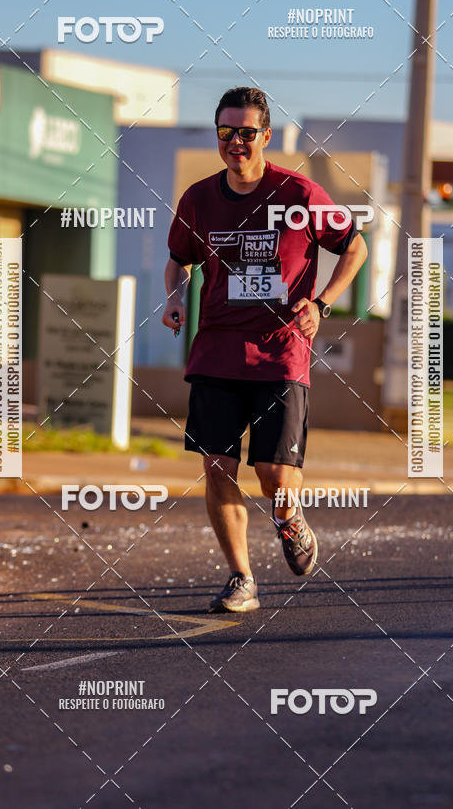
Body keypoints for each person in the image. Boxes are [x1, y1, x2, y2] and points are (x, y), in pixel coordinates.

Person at [162, 87, 368, 612]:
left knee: (274, 476)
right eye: (225, 133)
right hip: (216, 352)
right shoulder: (198, 199)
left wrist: (321, 303)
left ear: (265, 136)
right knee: (216, 466)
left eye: (246, 133)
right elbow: (178, 259)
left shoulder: (298, 195)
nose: (235, 143)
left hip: (281, 353)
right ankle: (240, 579)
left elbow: (355, 246)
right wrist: (173, 297)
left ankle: (288, 518)